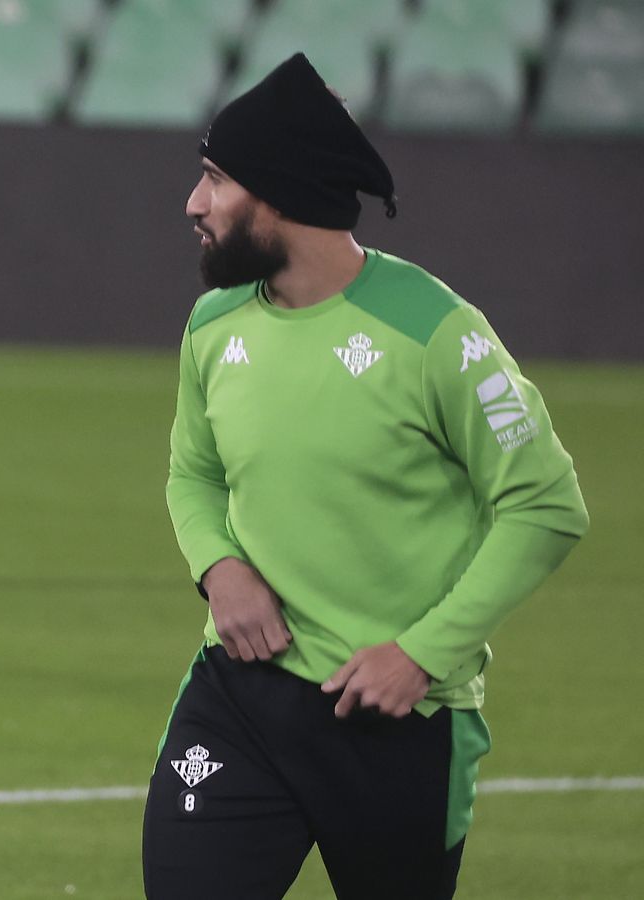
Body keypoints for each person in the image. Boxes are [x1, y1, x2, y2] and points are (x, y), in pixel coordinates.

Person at [144, 54, 589, 900]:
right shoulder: (214, 322)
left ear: (275, 192)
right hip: (239, 701)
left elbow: (546, 506)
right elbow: (192, 471)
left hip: (395, 717)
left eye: (214, 178)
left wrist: (421, 655)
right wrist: (219, 565)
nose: (194, 204)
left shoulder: (440, 335)